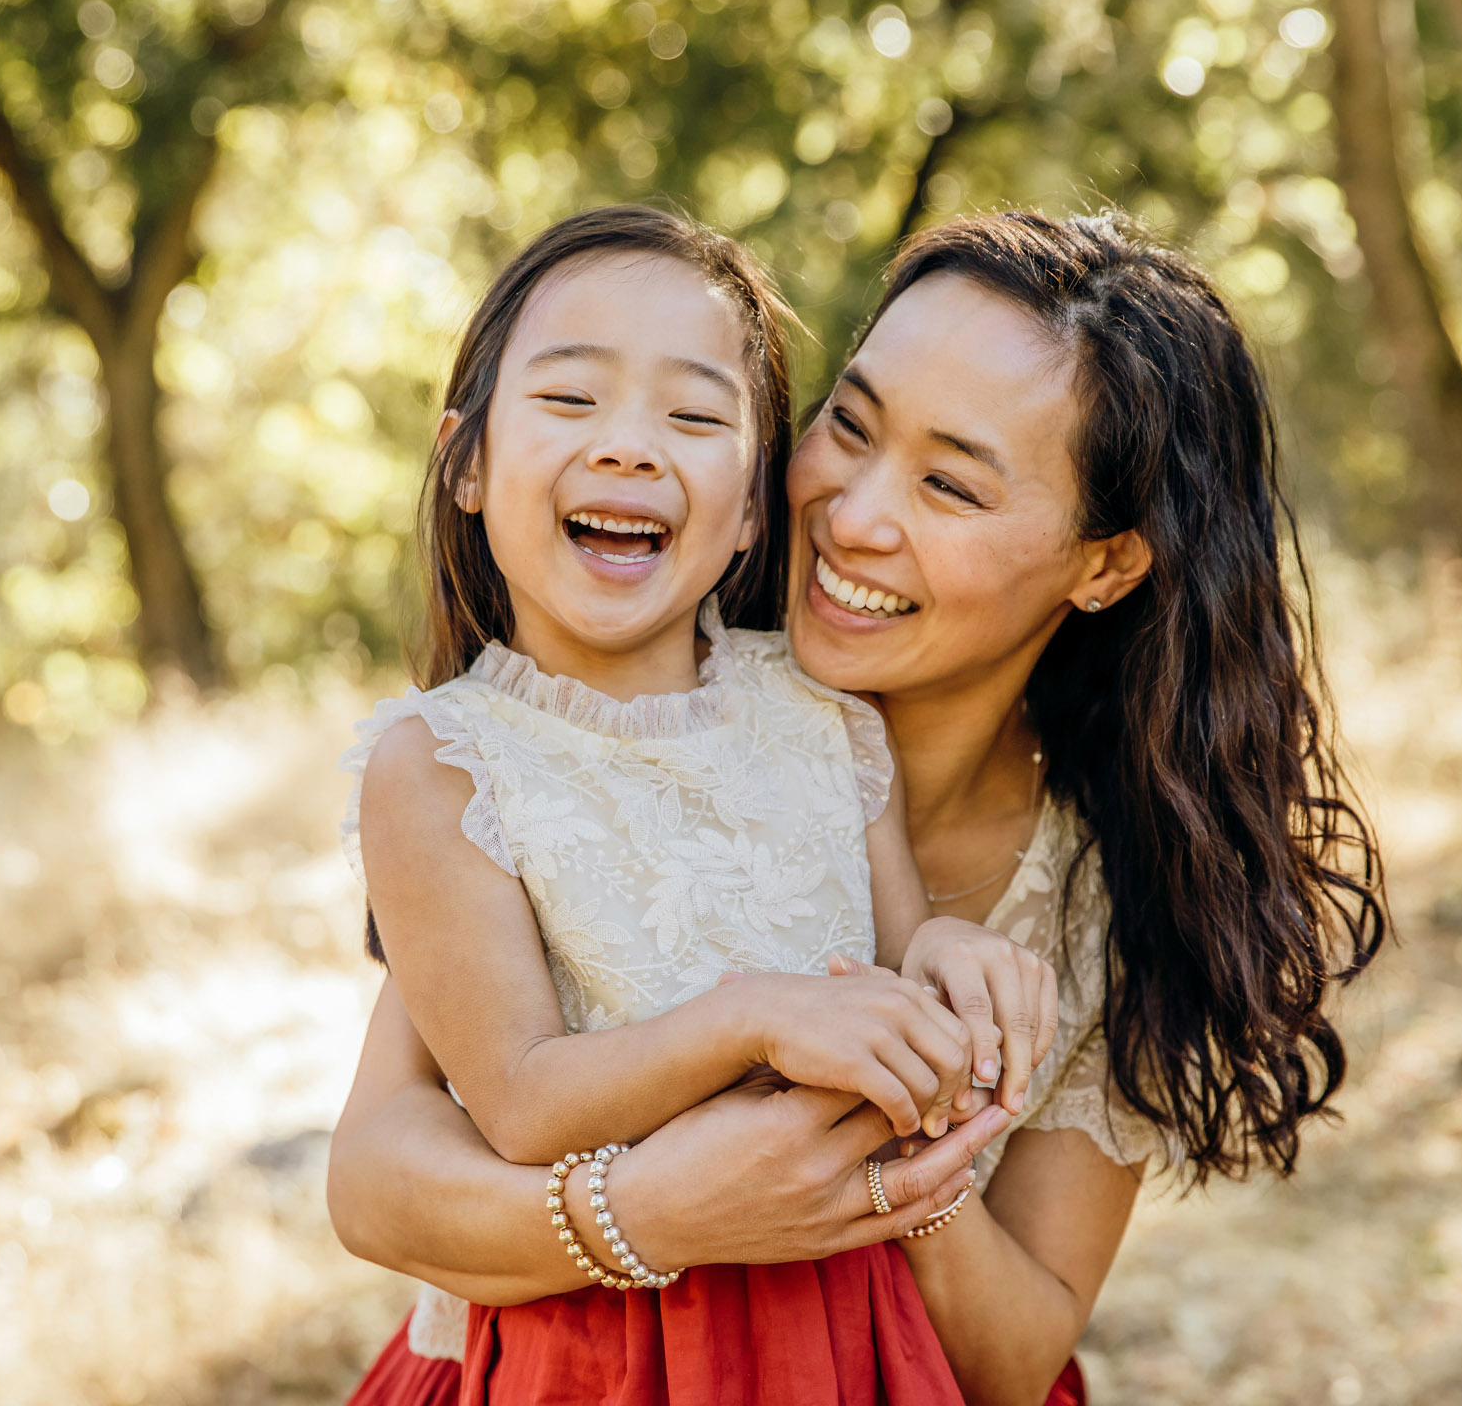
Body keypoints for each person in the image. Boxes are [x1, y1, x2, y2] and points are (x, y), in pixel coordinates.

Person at [329, 209, 1390, 1405]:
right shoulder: (592, 707)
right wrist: (656, 1209)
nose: (853, 514)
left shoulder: (1097, 880)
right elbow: (385, 1170)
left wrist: (895, 1117)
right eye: (849, 424)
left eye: (949, 483)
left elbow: (1012, 1360)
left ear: (1106, 563)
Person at [340, 204, 1064, 1404]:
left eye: (692, 416)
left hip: (847, 1325)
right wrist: (750, 1022)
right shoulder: (441, 763)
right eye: (570, 400)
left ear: (746, 511)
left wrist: (949, 955)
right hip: (606, 1352)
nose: (630, 446)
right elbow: (519, 1101)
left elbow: (896, 945)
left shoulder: (819, 713)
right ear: (466, 463)